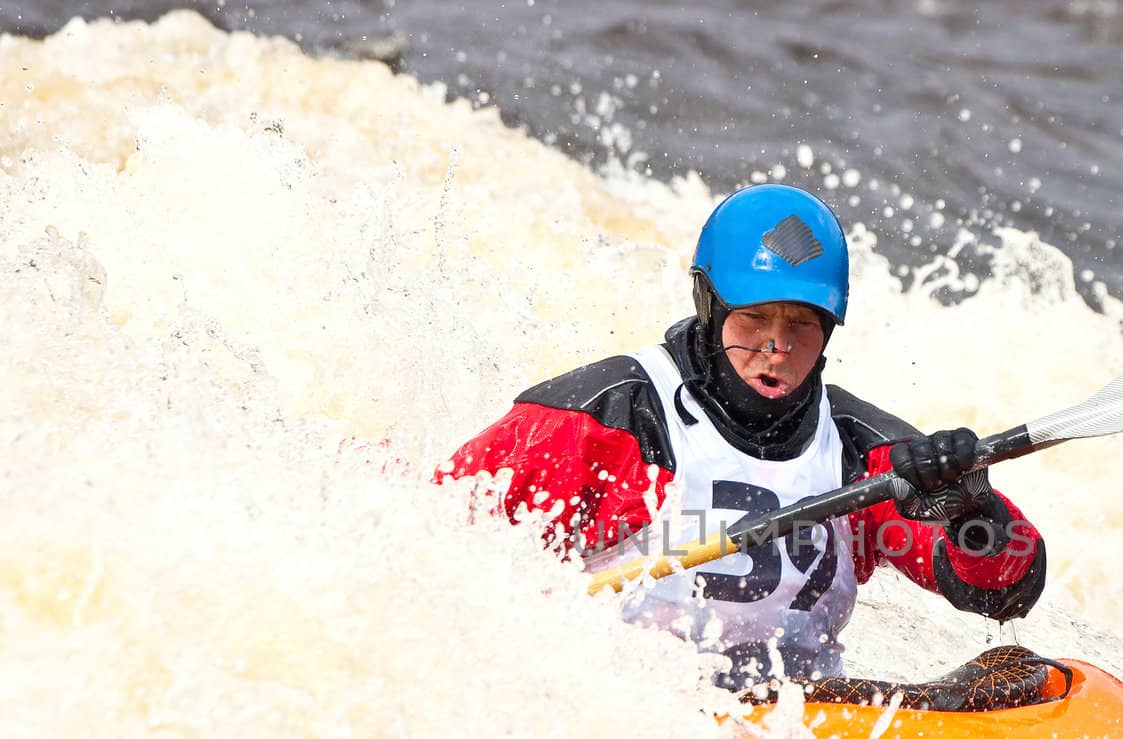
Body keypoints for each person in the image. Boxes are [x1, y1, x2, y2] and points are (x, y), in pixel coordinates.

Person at [438, 184, 1046, 687]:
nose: (776, 347)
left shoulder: (863, 453)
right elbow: (430, 544)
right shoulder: (605, 419)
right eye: (754, 319)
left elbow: (1004, 595)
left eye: (802, 325)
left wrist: (977, 512)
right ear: (710, 304)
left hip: (796, 731)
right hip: (622, 717)